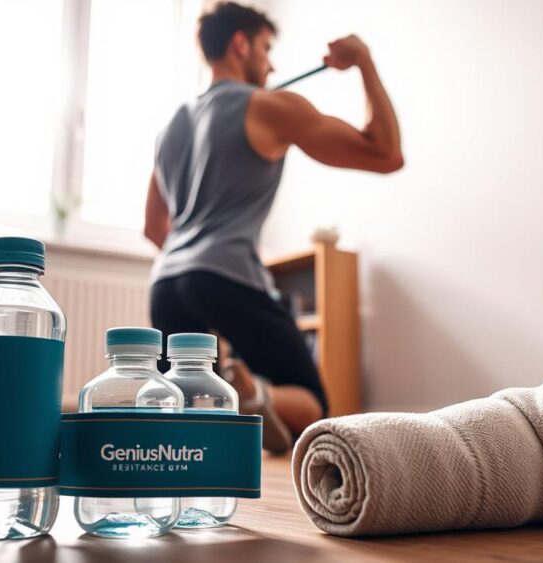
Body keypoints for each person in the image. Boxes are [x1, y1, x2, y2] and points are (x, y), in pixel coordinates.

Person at [144, 1, 402, 452]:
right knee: (313, 405)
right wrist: (363, 60)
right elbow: (385, 153)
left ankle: (222, 406)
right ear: (240, 44)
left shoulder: (170, 127)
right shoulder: (267, 106)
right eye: (266, 48)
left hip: (165, 282)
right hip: (223, 273)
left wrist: (192, 270)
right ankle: (248, 392)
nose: (272, 63)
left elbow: (153, 226)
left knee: (182, 420)